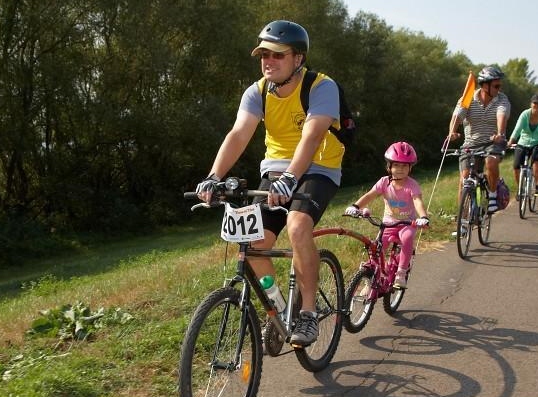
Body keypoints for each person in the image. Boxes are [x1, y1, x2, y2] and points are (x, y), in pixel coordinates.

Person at [196, 20, 345, 346]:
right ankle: (278, 308)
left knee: (298, 226)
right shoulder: (257, 91)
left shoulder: (321, 87)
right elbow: (238, 134)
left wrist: (292, 178)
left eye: (278, 55)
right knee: (252, 243)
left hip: (319, 168)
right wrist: (213, 176)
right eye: (264, 54)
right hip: (276, 172)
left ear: (298, 58)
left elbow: (312, 135)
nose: (268, 61)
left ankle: (308, 312)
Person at [344, 142, 429, 288]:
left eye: (404, 166)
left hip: (407, 223)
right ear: (389, 166)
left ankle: (401, 272)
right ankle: (370, 279)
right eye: (396, 165)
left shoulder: (412, 185)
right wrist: (356, 206)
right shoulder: (384, 182)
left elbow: (417, 201)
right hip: (388, 223)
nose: (400, 169)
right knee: (377, 248)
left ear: (410, 167)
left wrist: (423, 217)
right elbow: (370, 195)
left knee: (407, 238)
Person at [448, 66, 511, 214]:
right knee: (464, 178)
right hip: (471, 144)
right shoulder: (468, 98)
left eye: (499, 85)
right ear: (484, 85)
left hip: (493, 142)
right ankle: (463, 217)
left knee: (491, 162)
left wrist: (500, 134)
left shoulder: (502, 99)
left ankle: (493, 195)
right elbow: (457, 116)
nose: (499, 89)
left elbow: (501, 115)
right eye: (496, 86)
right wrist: (452, 132)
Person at [508, 94, 538, 196]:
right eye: (534, 103)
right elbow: (517, 129)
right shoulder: (525, 114)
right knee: (516, 166)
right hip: (523, 142)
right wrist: (511, 141)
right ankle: (520, 189)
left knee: (537, 161)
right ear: (531, 104)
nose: (536, 105)